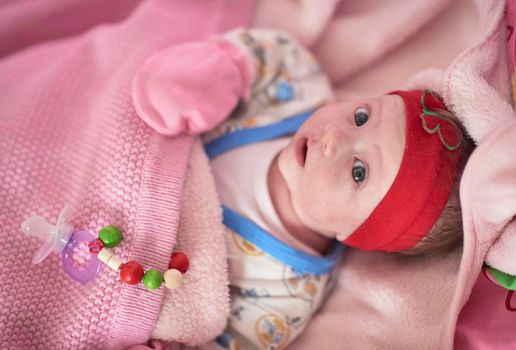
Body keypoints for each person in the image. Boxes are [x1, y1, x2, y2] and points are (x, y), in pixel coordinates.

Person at [132, 28, 473, 350]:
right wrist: (214, 75)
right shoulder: (295, 93)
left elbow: (214, 338)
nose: (336, 137)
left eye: (358, 172)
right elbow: (268, 54)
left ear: (353, 232)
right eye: (361, 118)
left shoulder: (284, 297)